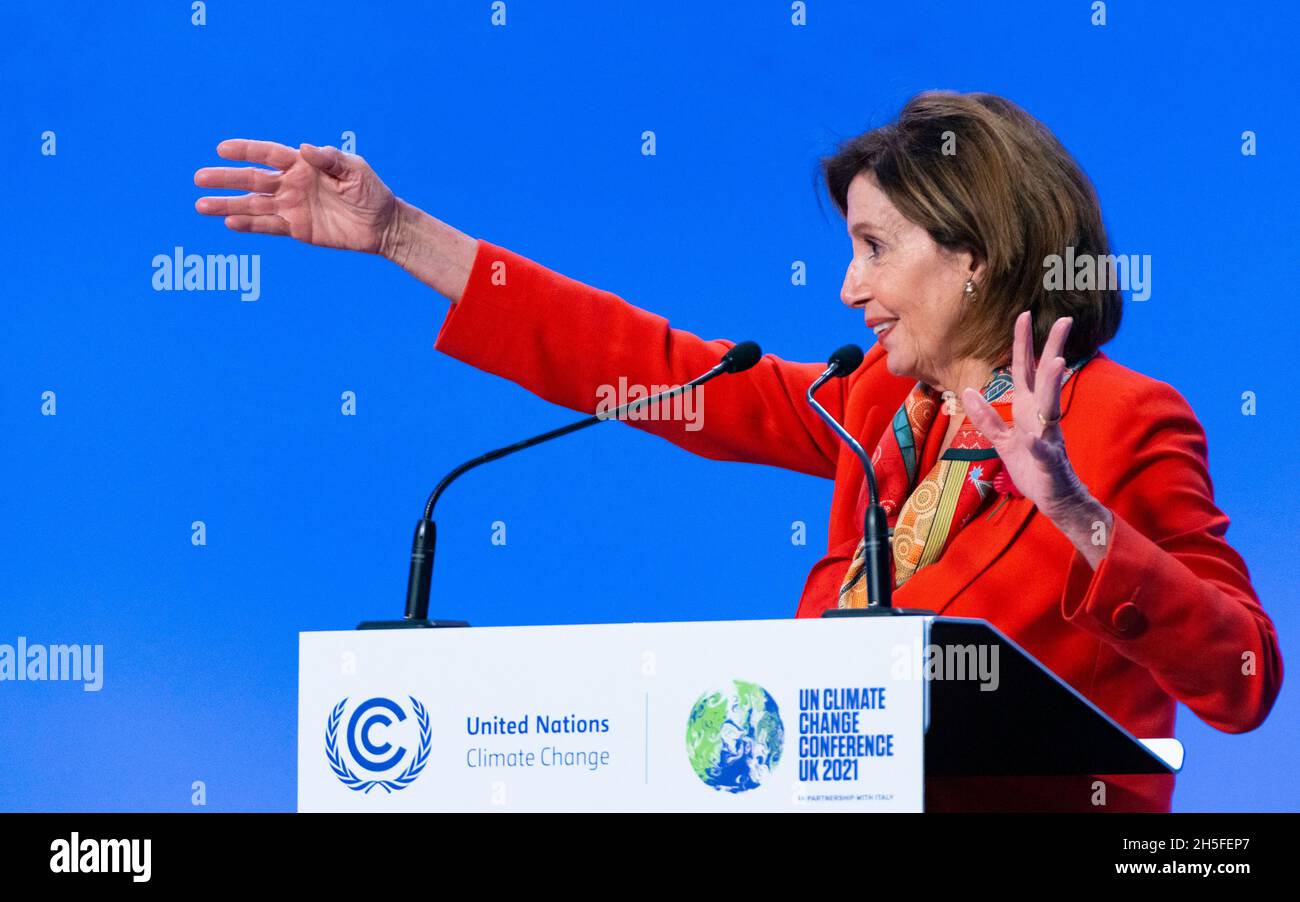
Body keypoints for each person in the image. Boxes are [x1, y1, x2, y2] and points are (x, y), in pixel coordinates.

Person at [194, 90, 1281, 811]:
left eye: (872, 249)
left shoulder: (1125, 418)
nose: (848, 287)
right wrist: (397, 233)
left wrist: (1076, 512)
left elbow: (1242, 678)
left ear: (976, 260)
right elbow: (650, 365)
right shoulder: (870, 410)